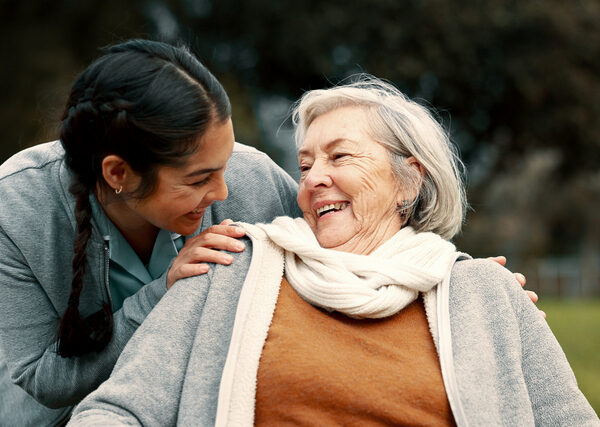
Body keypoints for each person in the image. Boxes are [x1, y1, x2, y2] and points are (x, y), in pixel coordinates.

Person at [68, 76, 598, 426]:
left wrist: (495, 298)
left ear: (409, 179)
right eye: (303, 165)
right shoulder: (231, 267)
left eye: (339, 156)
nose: (314, 179)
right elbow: (119, 411)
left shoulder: (484, 293)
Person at [0, 39, 301, 425]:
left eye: (224, 165)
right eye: (198, 180)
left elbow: (345, 242)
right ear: (117, 173)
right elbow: (44, 379)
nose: (223, 192)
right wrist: (165, 292)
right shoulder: (17, 207)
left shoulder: (252, 178)